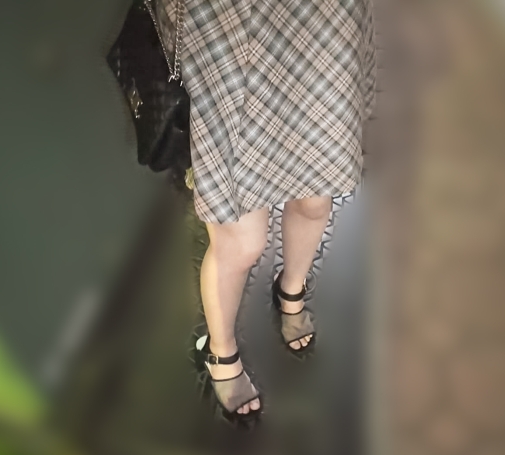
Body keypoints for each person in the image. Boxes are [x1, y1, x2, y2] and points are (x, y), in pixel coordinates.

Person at [157, 0, 377, 416]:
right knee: (241, 242)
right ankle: (221, 351)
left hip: (320, 22)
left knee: (314, 199)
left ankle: (291, 291)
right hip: (224, 24)